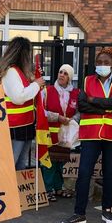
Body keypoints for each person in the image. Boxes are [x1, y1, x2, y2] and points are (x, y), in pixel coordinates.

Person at [61, 48, 112, 223]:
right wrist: (105, 106)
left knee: (109, 174)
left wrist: (93, 100)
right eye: (99, 62)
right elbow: (82, 105)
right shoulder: (87, 80)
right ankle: (79, 213)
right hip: (90, 134)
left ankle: (107, 210)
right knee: (84, 172)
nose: (102, 66)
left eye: (106, 63)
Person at [0, 36, 45, 170]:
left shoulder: (20, 72)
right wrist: (36, 84)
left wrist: (34, 81)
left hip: (26, 123)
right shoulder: (11, 72)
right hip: (15, 125)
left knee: (21, 163)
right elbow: (18, 97)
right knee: (13, 163)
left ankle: (18, 190)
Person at [42, 64, 80, 201]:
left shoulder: (76, 93)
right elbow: (42, 112)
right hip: (51, 133)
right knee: (49, 162)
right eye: (60, 72)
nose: (62, 75)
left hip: (66, 134)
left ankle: (58, 187)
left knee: (61, 161)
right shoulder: (47, 91)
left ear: (69, 77)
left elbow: (80, 111)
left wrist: (72, 119)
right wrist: (58, 117)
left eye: (65, 73)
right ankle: (48, 189)